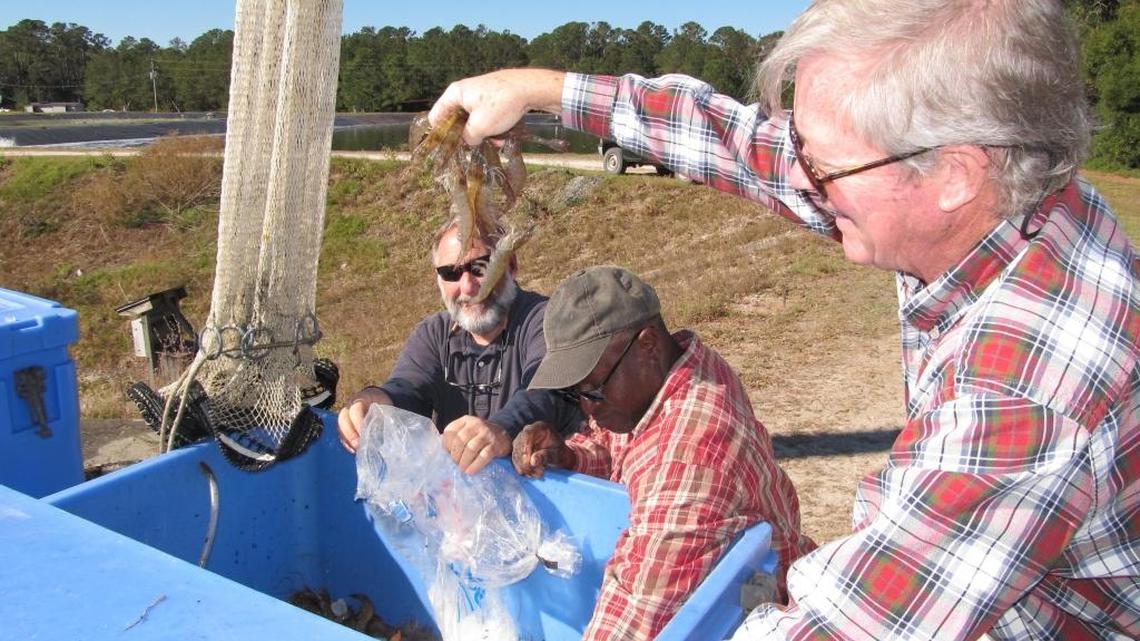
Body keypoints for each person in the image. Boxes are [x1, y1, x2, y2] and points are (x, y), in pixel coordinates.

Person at [427, 1, 1140, 639]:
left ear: (952, 173)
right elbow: (739, 146)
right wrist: (543, 91)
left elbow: (856, 624)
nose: (795, 179)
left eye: (822, 167)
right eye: (801, 147)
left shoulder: (1025, 389)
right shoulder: (994, 200)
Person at [512, 265, 815, 641]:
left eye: (593, 388)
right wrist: (573, 458)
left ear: (648, 345)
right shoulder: (682, 369)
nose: (588, 408)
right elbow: (618, 447)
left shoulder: (690, 458)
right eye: (575, 394)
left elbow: (635, 619)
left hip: (760, 614)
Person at [337, 216, 580, 473]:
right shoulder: (433, 334)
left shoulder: (548, 321)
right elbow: (408, 389)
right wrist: (376, 401)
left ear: (511, 265)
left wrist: (502, 429)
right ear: (438, 279)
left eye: (481, 267)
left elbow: (547, 390)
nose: (468, 286)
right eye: (451, 273)